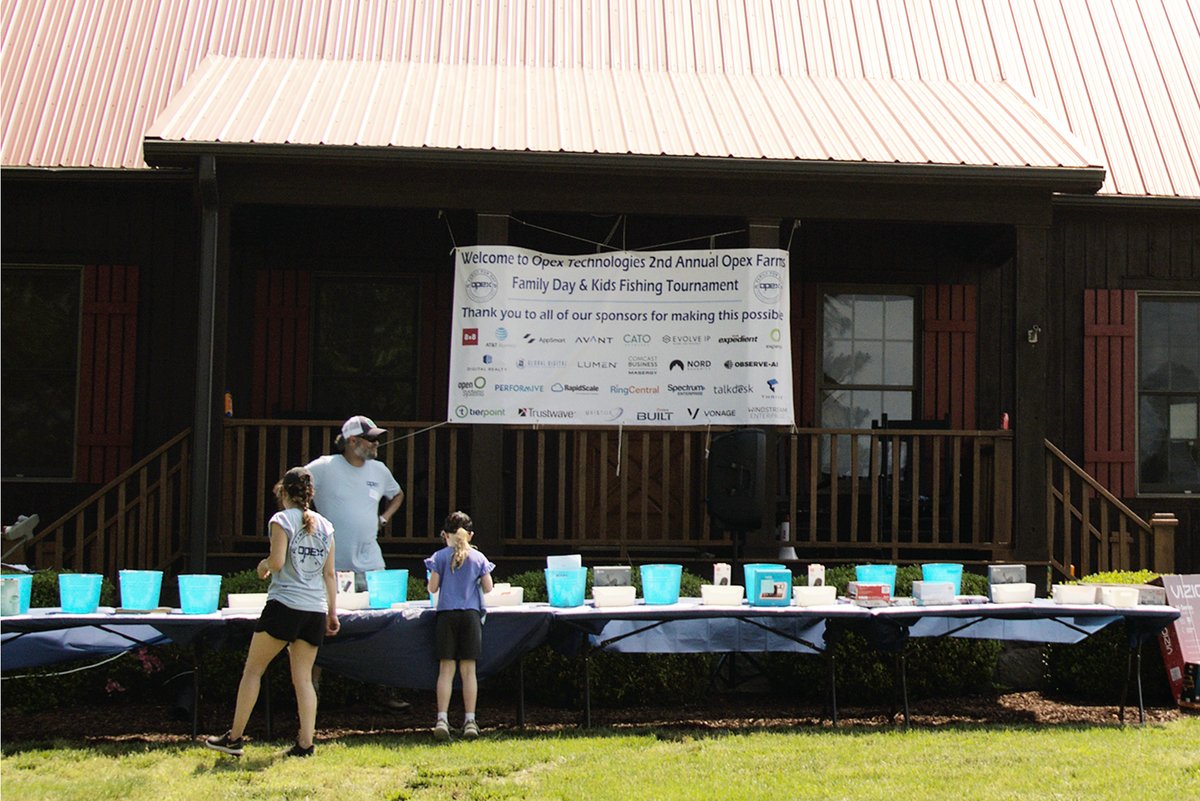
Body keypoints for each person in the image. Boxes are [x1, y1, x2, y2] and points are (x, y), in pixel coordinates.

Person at [205, 466, 338, 758]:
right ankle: (306, 744)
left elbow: (277, 562)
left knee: (253, 670)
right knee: (303, 679)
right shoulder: (327, 526)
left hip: (284, 606)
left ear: (284, 492)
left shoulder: (281, 519)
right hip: (315, 610)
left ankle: (234, 739)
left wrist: (263, 566)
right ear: (309, 494)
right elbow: (330, 574)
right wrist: (333, 612)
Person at [306, 414, 409, 711]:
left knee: (382, 627)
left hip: (371, 564)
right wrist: (305, 520)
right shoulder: (324, 467)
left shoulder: (378, 469)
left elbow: (398, 494)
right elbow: (289, 488)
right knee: (321, 626)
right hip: (331, 567)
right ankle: (312, 693)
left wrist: (384, 518)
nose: (377, 444)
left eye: (377, 439)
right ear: (352, 442)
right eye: (371, 439)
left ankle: (383, 691)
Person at [425, 511, 494, 741]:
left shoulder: (440, 557)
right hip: (471, 615)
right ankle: (470, 720)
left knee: (446, 669)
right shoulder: (478, 558)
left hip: (446, 615)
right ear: (471, 535)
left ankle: (442, 718)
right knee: (468, 670)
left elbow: (432, 588)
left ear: (445, 534)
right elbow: (488, 587)